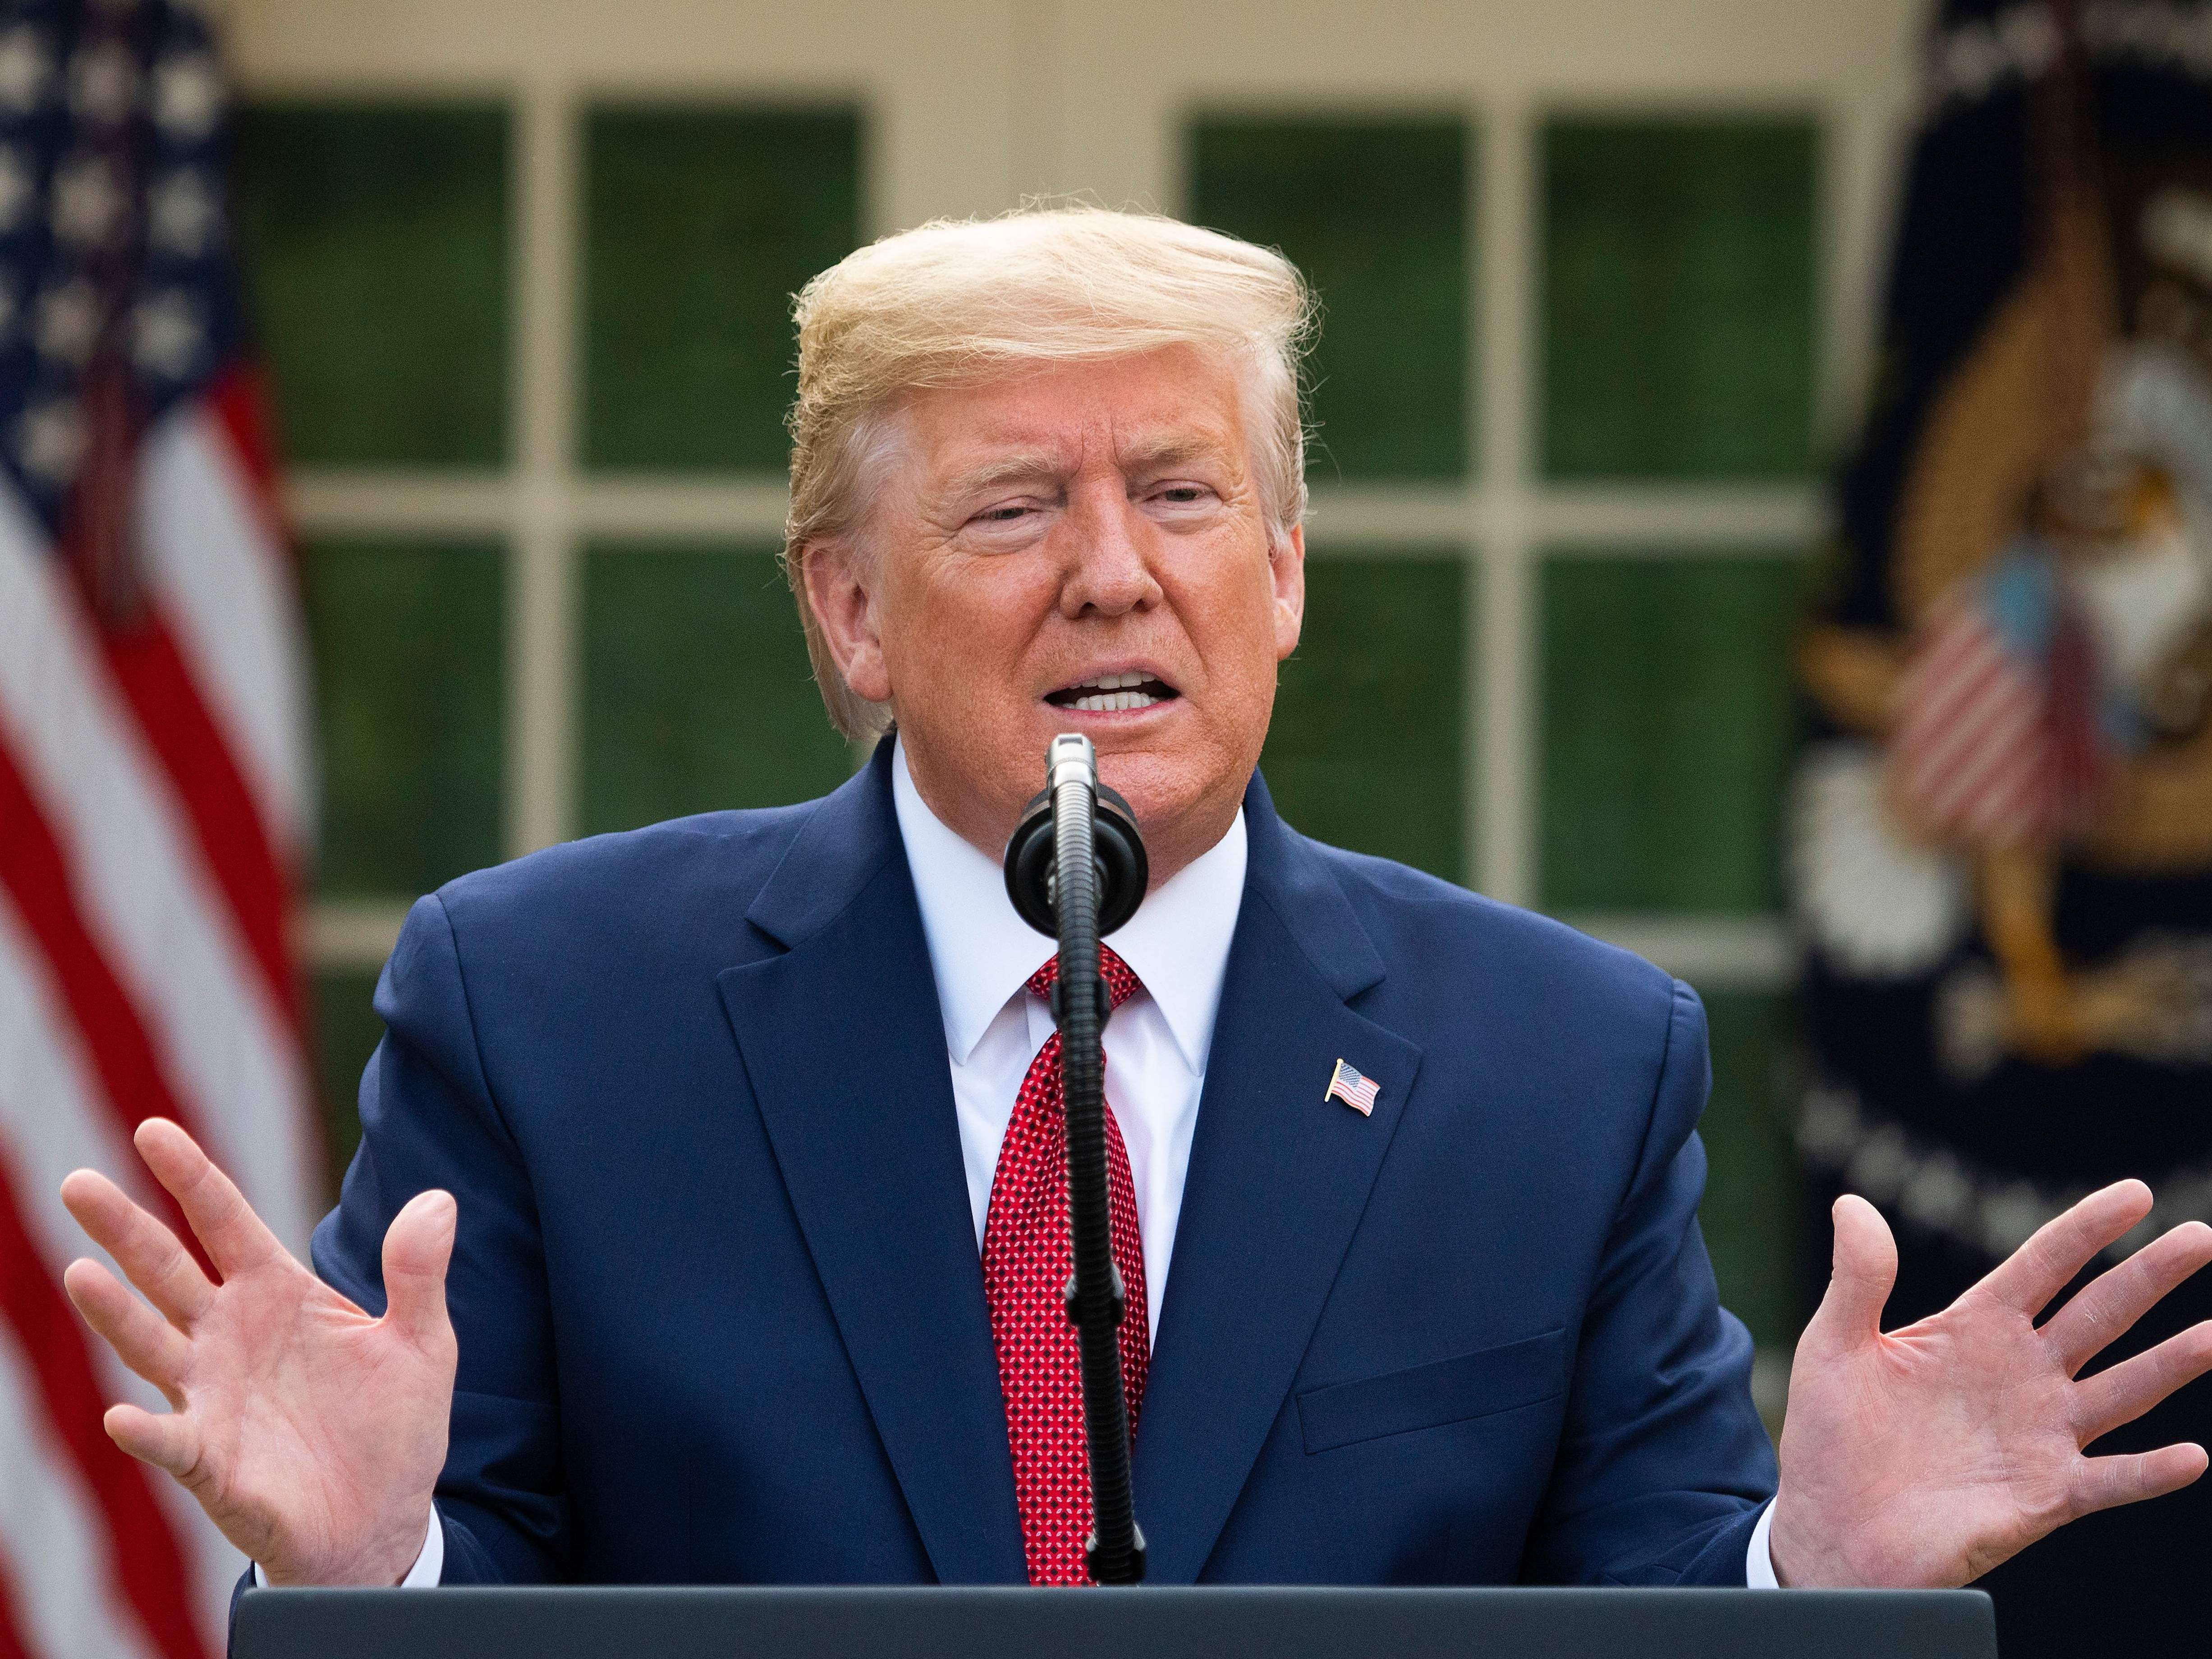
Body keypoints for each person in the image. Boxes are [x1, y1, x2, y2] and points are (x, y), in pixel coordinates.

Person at [58, 208, 2212, 1615]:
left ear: (1281, 570)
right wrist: (378, 1568)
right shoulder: (549, 1012)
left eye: (1182, 495)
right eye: (1016, 507)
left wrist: (1810, 1582)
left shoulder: (1562, 1065)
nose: (1115, 573)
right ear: (849, 608)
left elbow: (1648, 1613)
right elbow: (482, 1594)